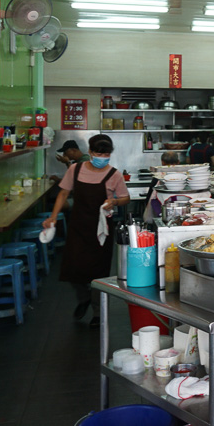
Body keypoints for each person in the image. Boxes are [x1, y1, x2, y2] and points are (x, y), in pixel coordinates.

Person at [43, 134, 130, 328]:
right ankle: (83, 298)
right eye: (98, 153)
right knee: (74, 267)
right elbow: (63, 193)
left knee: (98, 271)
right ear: (90, 152)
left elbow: (125, 198)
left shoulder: (114, 174)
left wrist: (115, 201)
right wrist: (53, 217)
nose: (102, 157)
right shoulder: (75, 169)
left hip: (101, 230)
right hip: (78, 226)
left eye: (106, 153)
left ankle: (98, 312)